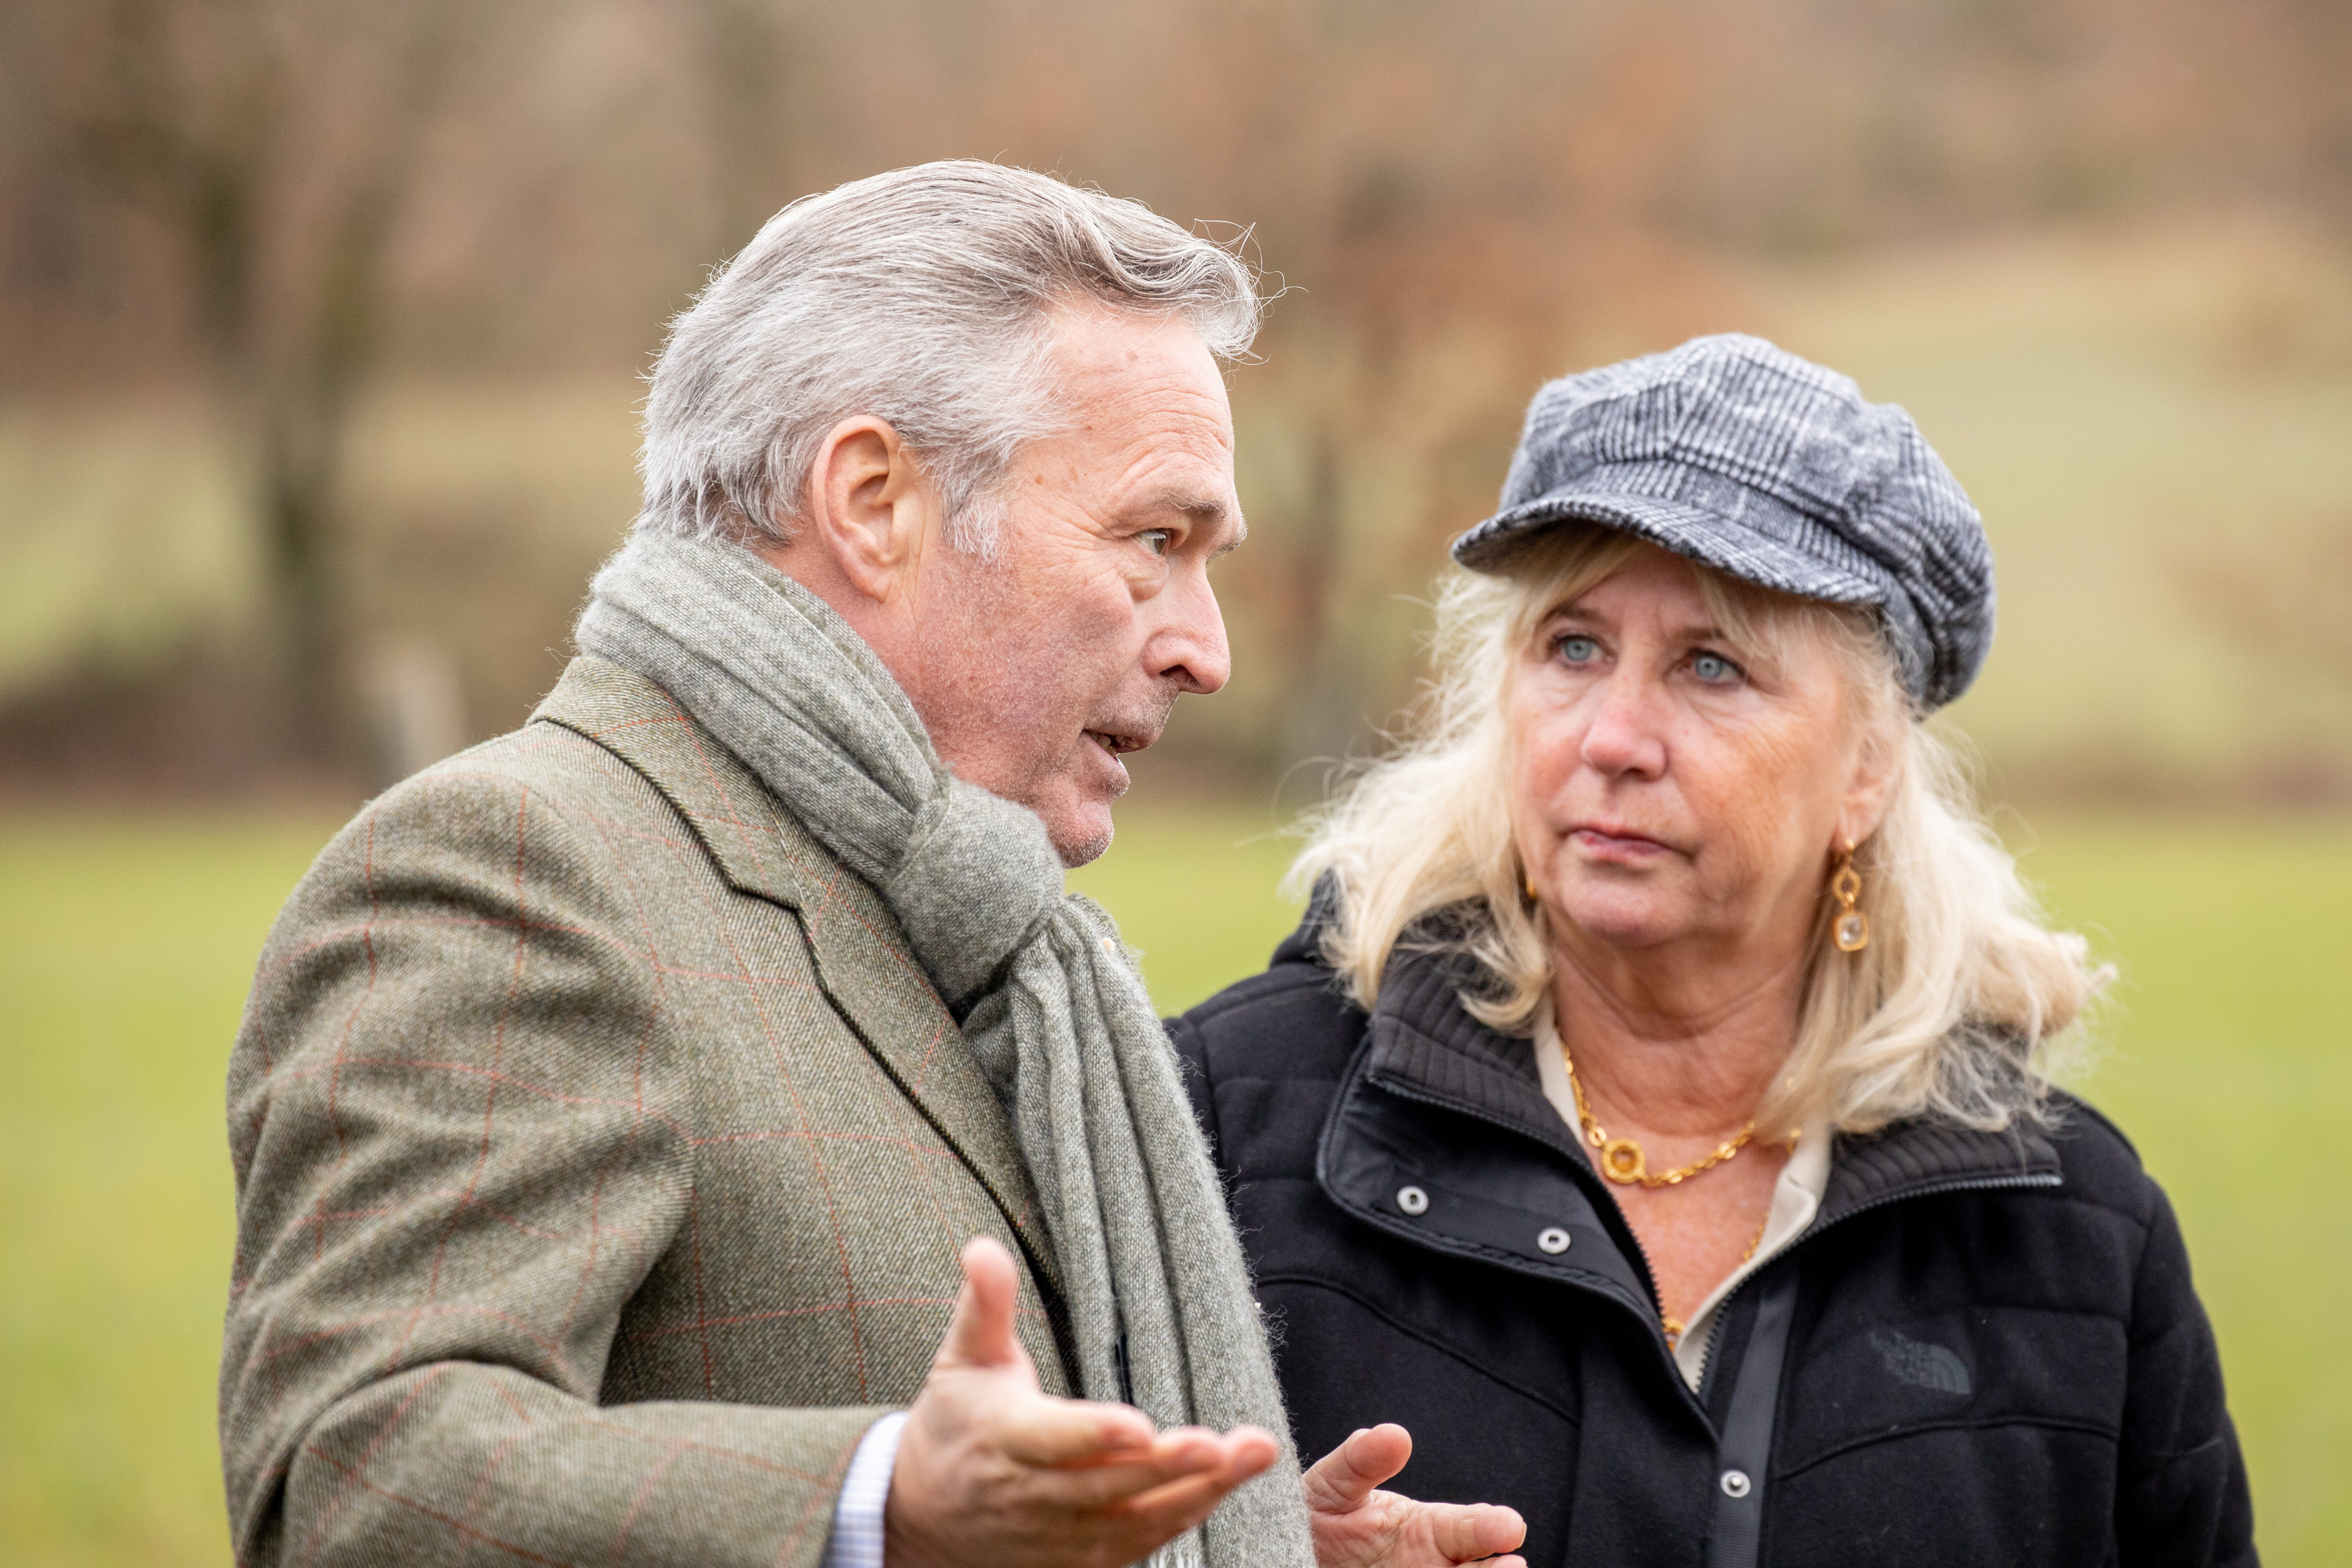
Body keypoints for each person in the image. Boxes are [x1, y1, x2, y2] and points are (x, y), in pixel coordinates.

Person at [220, 162, 1525, 1568]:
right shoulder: (523, 870)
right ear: (872, 501)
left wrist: (1218, 1550)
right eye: (1155, 542)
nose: (1205, 650)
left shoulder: (955, 919)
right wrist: (879, 1503)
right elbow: (355, 1480)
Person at [1173, 334, 2255, 1567]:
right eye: (1572, 648)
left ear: (1868, 770)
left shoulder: (2074, 1240)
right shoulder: (1226, 1128)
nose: (1617, 736)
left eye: (1711, 666)